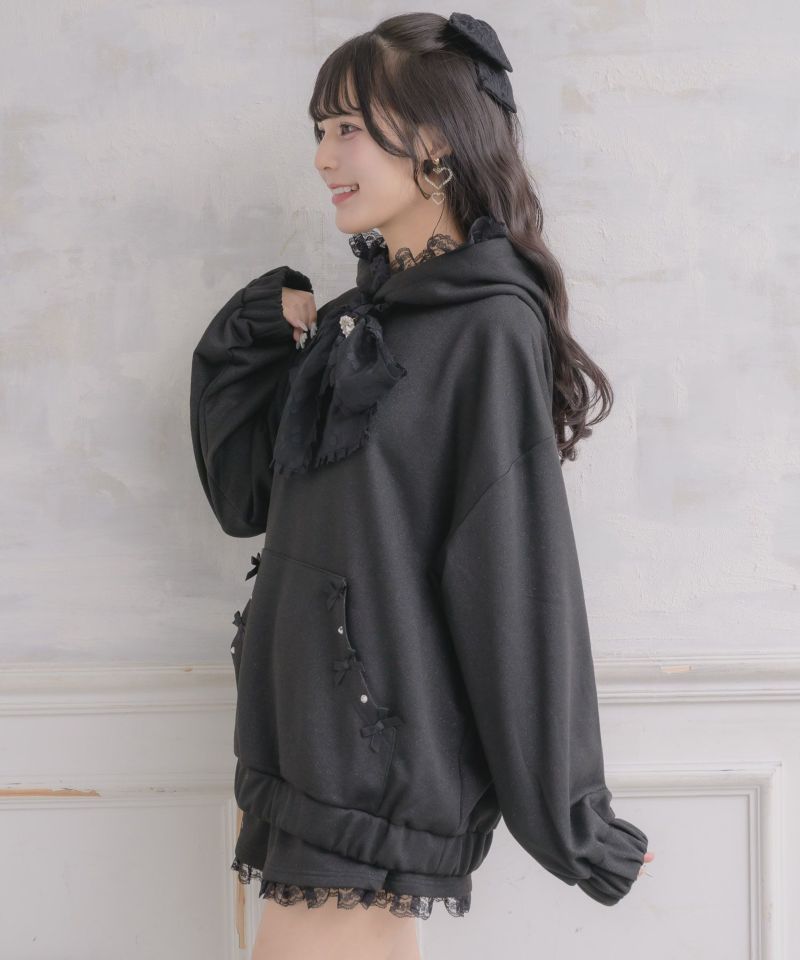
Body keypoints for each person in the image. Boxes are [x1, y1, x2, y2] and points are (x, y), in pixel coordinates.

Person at [190, 11, 654, 960]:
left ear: (435, 142)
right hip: (306, 746)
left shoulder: (488, 331)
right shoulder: (356, 324)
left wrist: (577, 821)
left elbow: (515, 578)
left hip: (375, 765)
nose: (323, 156)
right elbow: (246, 500)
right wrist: (260, 331)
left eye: (347, 128)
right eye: (319, 130)